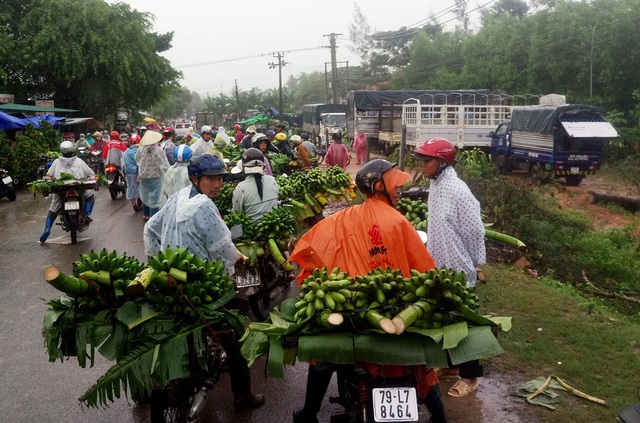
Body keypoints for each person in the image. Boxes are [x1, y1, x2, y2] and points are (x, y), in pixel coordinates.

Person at [288, 159, 446, 423]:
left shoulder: (343, 219)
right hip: (400, 311)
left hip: (353, 310)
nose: (400, 188)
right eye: (395, 182)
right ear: (377, 185)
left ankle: (308, 414)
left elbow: (315, 247)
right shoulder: (397, 221)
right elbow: (425, 270)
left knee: (323, 358)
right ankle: (440, 417)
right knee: (420, 366)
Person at [143, 153, 265, 413]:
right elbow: (224, 247)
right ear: (196, 179)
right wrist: (240, 258)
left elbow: (150, 228)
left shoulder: (177, 198)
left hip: (171, 284)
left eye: (220, 177)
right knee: (237, 337)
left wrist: (156, 263)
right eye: (211, 179)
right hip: (206, 287)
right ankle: (243, 398)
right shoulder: (205, 206)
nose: (218, 184)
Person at [411, 137, 486, 398]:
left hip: (457, 267)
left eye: (427, 160)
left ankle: (471, 376)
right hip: (440, 264)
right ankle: (453, 367)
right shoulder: (437, 184)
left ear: (442, 162)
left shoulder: (458, 190)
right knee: (446, 318)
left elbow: (475, 231)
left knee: (462, 322)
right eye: (421, 160)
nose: (422, 165)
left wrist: (477, 264)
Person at [39, 141, 96, 243]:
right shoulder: (79, 161)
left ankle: (47, 230)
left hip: (61, 190)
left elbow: (49, 175)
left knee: (53, 208)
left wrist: (49, 178)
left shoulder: (56, 162)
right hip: (78, 188)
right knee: (90, 196)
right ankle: (86, 215)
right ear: (72, 150)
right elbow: (90, 173)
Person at [231, 148, 279, 223]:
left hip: (251, 230)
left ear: (244, 167)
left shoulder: (241, 188)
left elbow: (236, 215)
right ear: (263, 166)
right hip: (273, 224)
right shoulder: (272, 180)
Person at [135, 131, 170, 221]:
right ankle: (153, 216)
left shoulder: (141, 149)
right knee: (155, 196)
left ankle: (146, 214)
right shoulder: (159, 150)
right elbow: (165, 164)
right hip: (156, 176)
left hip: (144, 176)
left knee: (145, 194)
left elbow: (136, 159)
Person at [123, 133, 142, 212]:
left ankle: (133, 203)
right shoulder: (140, 150)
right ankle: (139, 204)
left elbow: (124, 163)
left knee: (131, 188)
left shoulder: (127, 151)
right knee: (140, 189)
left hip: (129, 173)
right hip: (138, 173)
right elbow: (140, 163)